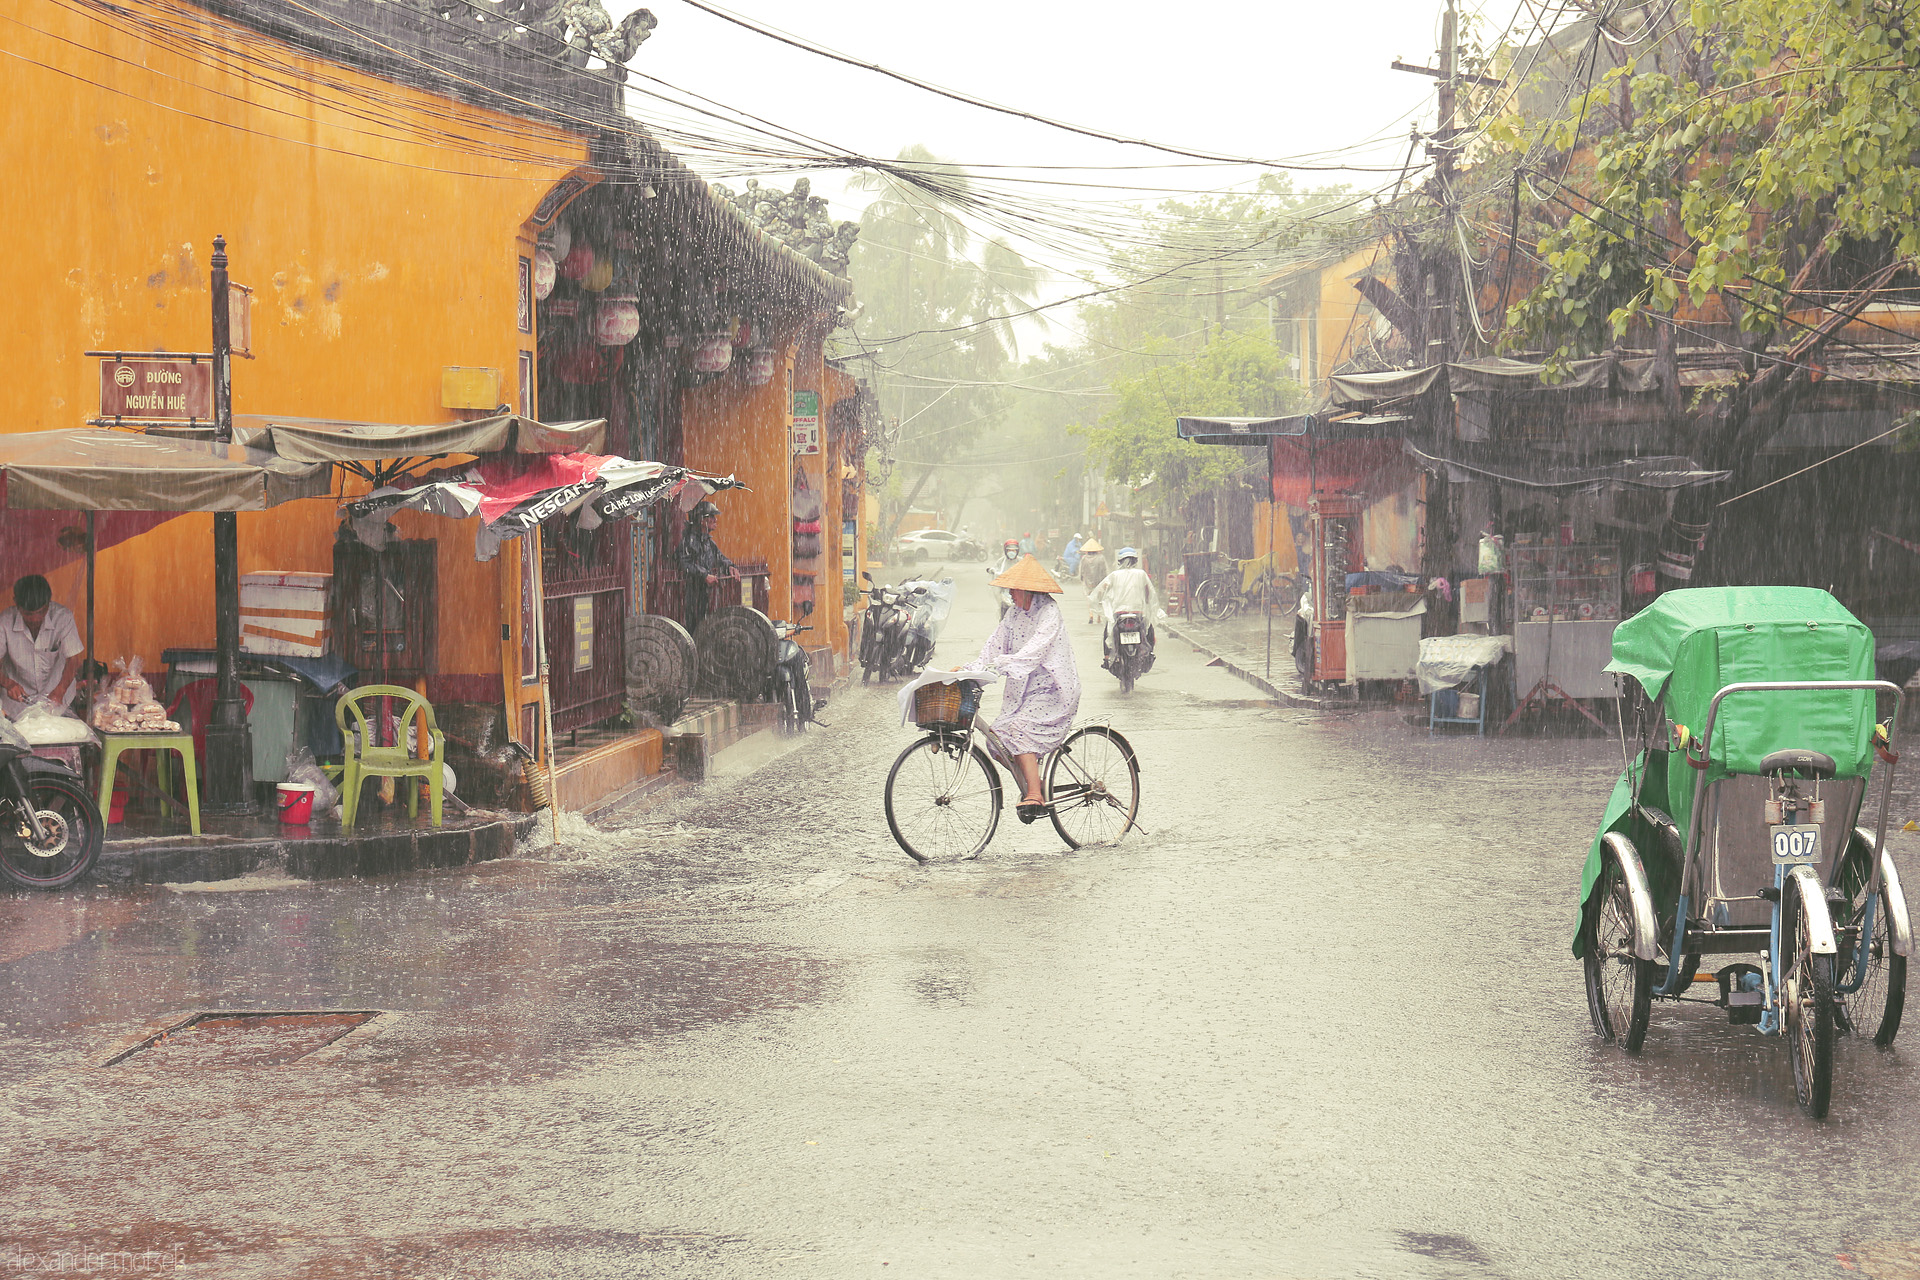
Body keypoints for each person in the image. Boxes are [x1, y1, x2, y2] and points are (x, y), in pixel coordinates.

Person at [967, 555, 1080, 822]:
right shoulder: (1014, 615)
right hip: (1024, 692)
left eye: (1014, 589)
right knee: (997, 737)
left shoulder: (1049, 613)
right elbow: (994, 645)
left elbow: (1035, 650)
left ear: (1028, 590)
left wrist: (1005, 663)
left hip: (1052, 690)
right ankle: (1034, 780)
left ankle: (1035, 793)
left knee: (1019, 730)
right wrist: (971, 668)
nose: (1010, 595)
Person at [0, 574, 84, 718]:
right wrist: (7, 683)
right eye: (28, 614)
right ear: (16, 604)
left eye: (41, 612)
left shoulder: (63, 617)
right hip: (17, 704)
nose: (35, 619)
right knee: (21, 739)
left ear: (49, 603)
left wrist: (60, 691)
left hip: (58, 698)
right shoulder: (5, 620)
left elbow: (74, 659)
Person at [1089, 547, 1159, 667]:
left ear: (1120, 561)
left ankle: (1107, 656)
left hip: (1119, 613)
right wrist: (1146, 601)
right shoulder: (1141, 574)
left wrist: (1101, 600)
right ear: (1135, 561)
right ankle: (1149, 653)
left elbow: (1101, 590)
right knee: (1149, 630)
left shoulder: (1114, 575)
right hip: (1138, 612)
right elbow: (1148, 592)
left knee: (1108, 631)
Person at [674, 500, 735, 636]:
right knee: (693, 627)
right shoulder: (688, 541)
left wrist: (730, 566)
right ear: (702, 520)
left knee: (705, 625)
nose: (715, 520)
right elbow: (684, 564)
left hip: (704, 593)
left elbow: (720, 557)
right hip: (690, 592)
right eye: (711, 517)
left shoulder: (708, 541)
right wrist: (704, 575)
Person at [985, 537, 1023, 619]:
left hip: (1019, 591)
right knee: (1004, 611)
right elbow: (996, 569)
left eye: (1014, 550)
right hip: (1004, 592)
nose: (1012, 552)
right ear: (1005, 551)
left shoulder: (1021, 561)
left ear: (1017, 551)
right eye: (1009, 550)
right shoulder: (1001, 561)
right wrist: (992, 571)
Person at [1076, 539, 1109, 623]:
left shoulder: (1084, 559)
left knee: (1089, 598)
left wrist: (1081, 579)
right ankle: (1098, 617)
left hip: (1088, 583)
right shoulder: (1101, 558)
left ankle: (1091, 614)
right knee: (1099, 599)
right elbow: (1104, 571)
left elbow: (1081, 571)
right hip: (1099, 582)